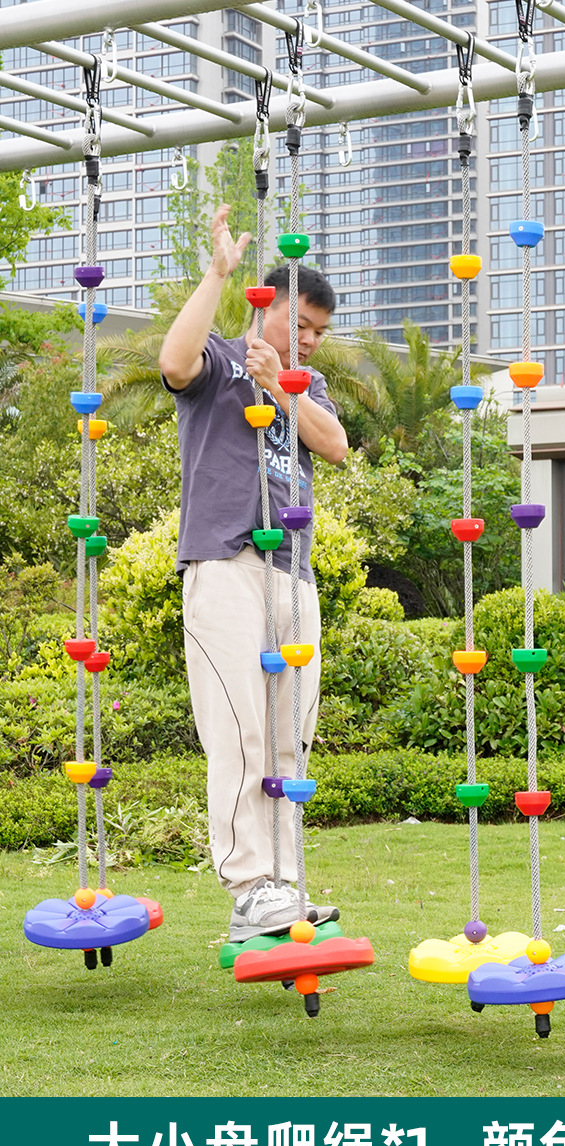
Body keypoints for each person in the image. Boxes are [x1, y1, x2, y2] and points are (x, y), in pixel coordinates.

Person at [159, 205, 347, 942]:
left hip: (292, 573)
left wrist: (285, 387)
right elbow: (174, 361)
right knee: (238, 731)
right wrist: (216, 275)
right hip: (225, 561)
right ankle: (249, 889)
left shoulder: (307, 383)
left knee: (288, 737)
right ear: (263, 307)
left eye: (319, 332)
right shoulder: (219, 362)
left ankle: (285, 885)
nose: (309, 339)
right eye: (300, 324)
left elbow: (333, 446)